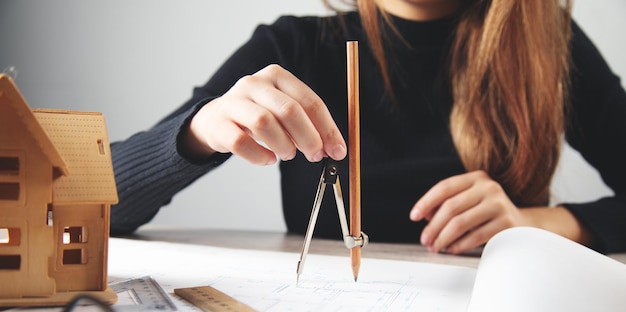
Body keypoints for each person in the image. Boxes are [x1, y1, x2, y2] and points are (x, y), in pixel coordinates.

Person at [110, 0, 626, 255]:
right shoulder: (294, 48)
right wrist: (199, 131)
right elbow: (93, 205)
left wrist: (536, 225)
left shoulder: (547, 46)